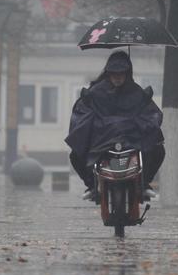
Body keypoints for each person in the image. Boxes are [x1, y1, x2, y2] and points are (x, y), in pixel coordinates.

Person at [65, 50, 165, 203]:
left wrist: (145, 125)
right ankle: (92, 185)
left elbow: (151, 113)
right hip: (101, 143)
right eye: (113, 73)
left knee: (158, 149)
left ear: (127, 73)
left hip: (132, 141)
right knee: (75, 154)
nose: (117, 77)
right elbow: (82, 113)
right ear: (108, 73)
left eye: (121, 73)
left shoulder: (137, 93)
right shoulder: (95, 93)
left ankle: (144, 184)